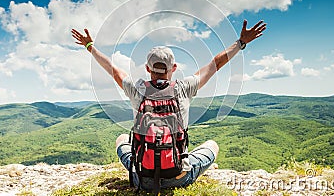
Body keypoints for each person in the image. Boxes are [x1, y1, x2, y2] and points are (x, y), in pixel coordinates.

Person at [71, 19, 266, 191]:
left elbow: (113, 70)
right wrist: (241, 43)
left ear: (148, 68)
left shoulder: (136, 89)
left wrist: (90, 46)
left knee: (122, 138)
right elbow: (215, 63)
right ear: (174, 68)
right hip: (179, 176)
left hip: (142, 179)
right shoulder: (184, 88)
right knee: (212, 145)